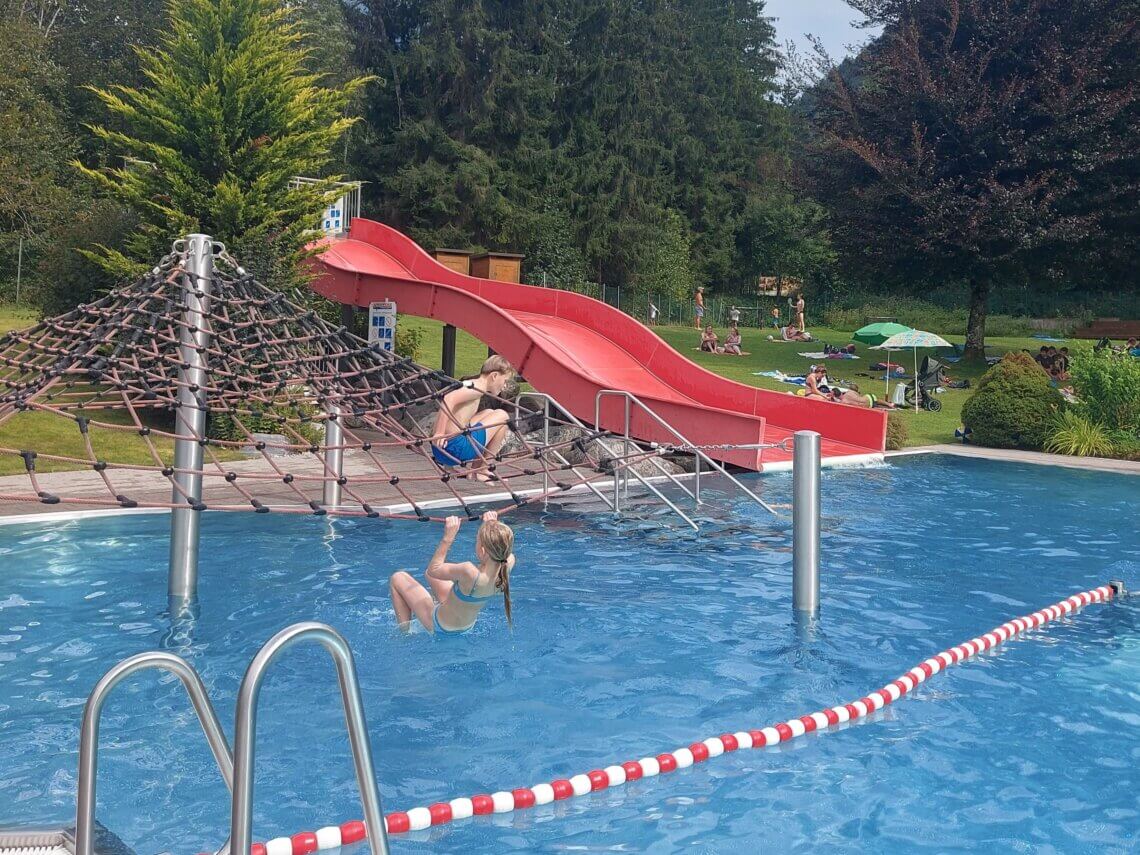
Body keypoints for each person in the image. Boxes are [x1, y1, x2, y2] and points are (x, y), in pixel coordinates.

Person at [389, 511, 516, 635]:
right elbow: (501, 544)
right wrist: (491, 525)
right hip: (467, 625)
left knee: (398, 577)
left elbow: (434, 569)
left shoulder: (469, 571)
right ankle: (434, 605)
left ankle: (405, 633)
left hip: (440, 626)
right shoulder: (507, 563)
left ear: (483, 549)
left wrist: (449, 536)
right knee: (429, 575)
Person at [431, 354, 514, 481]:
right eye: (505, 381)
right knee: (502, 417)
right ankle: (481, 470)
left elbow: (454, 411)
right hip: (455, 450)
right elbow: (448, 399)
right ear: (494, 376)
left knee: (489, 412)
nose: (504, 386)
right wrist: (439, 433)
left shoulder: (471, 383)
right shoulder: (478, 388)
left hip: (441, 449)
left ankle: (464, 469)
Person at [829, 384, 895, 409]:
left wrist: (832, 399)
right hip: (869, 398)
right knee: (875, 400)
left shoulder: (842, 403)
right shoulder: (849, 392)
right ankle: (889, 404)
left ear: (835, 396)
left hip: (867, 406)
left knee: (875, 405)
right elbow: (858, 395)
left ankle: (886, 406)